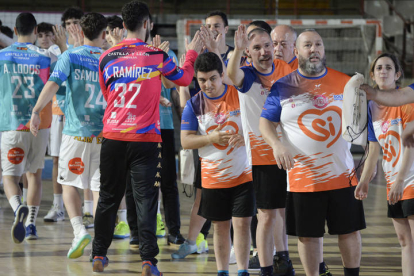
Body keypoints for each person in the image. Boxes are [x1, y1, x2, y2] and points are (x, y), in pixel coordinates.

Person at [91, 1, 203, 274]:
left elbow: (108, 95)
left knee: (107, 197)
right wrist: (190, 54)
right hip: (145, 140)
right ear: (146, 24)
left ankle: (98, 255)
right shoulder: (155, 55)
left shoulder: (106, 57)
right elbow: (184, 78)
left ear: (123, 24)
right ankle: (148, 262)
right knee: (146, 200)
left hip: (113, 137)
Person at [259, 29, 366, 276]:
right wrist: (277, 145)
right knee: (308, 236)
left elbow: (363, 124)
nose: (314, 49)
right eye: (307, 45)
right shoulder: (282, 87)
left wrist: (369, 163)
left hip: (343, 174)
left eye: (318, 44)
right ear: (296, 52)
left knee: (349, 231)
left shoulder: (346, 82)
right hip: (302, 179)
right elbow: (265, 122)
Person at [31, 12, 107, 259]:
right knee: (98, 189)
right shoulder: (110, 59)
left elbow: (52, 85)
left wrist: (36, 110)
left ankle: (78, 231)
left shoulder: (70, 56)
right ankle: (100, 245)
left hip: (75, 133)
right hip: (105, 135)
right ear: (104, 34)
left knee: (68, 184)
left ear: (81, 32)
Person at [180, 51, 254, 276]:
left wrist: (246, 137)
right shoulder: (194, 105)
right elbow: (185, 141)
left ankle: (242, 271)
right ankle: (222, 271)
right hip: (213, 179)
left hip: (244, 175)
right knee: (220, 227)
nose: (207, 84)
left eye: (212, 78)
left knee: (242, 224)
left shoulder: (241, 95)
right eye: (202, 80)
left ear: (222, 75)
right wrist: (211, 138)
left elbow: (260, 126)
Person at [227, 25, 293, 276]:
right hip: (263, 157)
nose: (264, 51)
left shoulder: (287, 71)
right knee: (266, 216)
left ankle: (283, 259)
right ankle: (266, 268)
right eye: (257, 47)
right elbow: (232, 74)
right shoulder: (247, 75)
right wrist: (235, 50)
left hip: (290, 154)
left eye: (268, 45)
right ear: (247, 52)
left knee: (281, 212)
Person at [355, 53, 414, 276]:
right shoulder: (371, 108)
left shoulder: (406, 101)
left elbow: (411, 144)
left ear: (397, 74)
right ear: (372, 75)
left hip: (410, 178)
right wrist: (364, 180)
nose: (383, 71)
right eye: (379, 68)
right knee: (404, 241)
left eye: (389, 68)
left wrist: (400, 181)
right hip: (393, 181)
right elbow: (373, 149)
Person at [0, 12, 56, 243]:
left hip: (12, 124)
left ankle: (17, 208)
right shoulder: (45, 56)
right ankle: (31, 225)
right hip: (39, 125)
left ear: (14, 31)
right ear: (35, 32)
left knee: (10, 178)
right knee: (34, 175)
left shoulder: (2, 55)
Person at [34, 22, 67, 223]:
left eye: (49, 34)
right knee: (54, 160)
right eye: (41, 35)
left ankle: (88, 207)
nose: (45, 39)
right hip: (51, 115)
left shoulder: (57, 52)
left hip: (69, 114)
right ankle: (58, 206)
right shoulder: (36, 54)